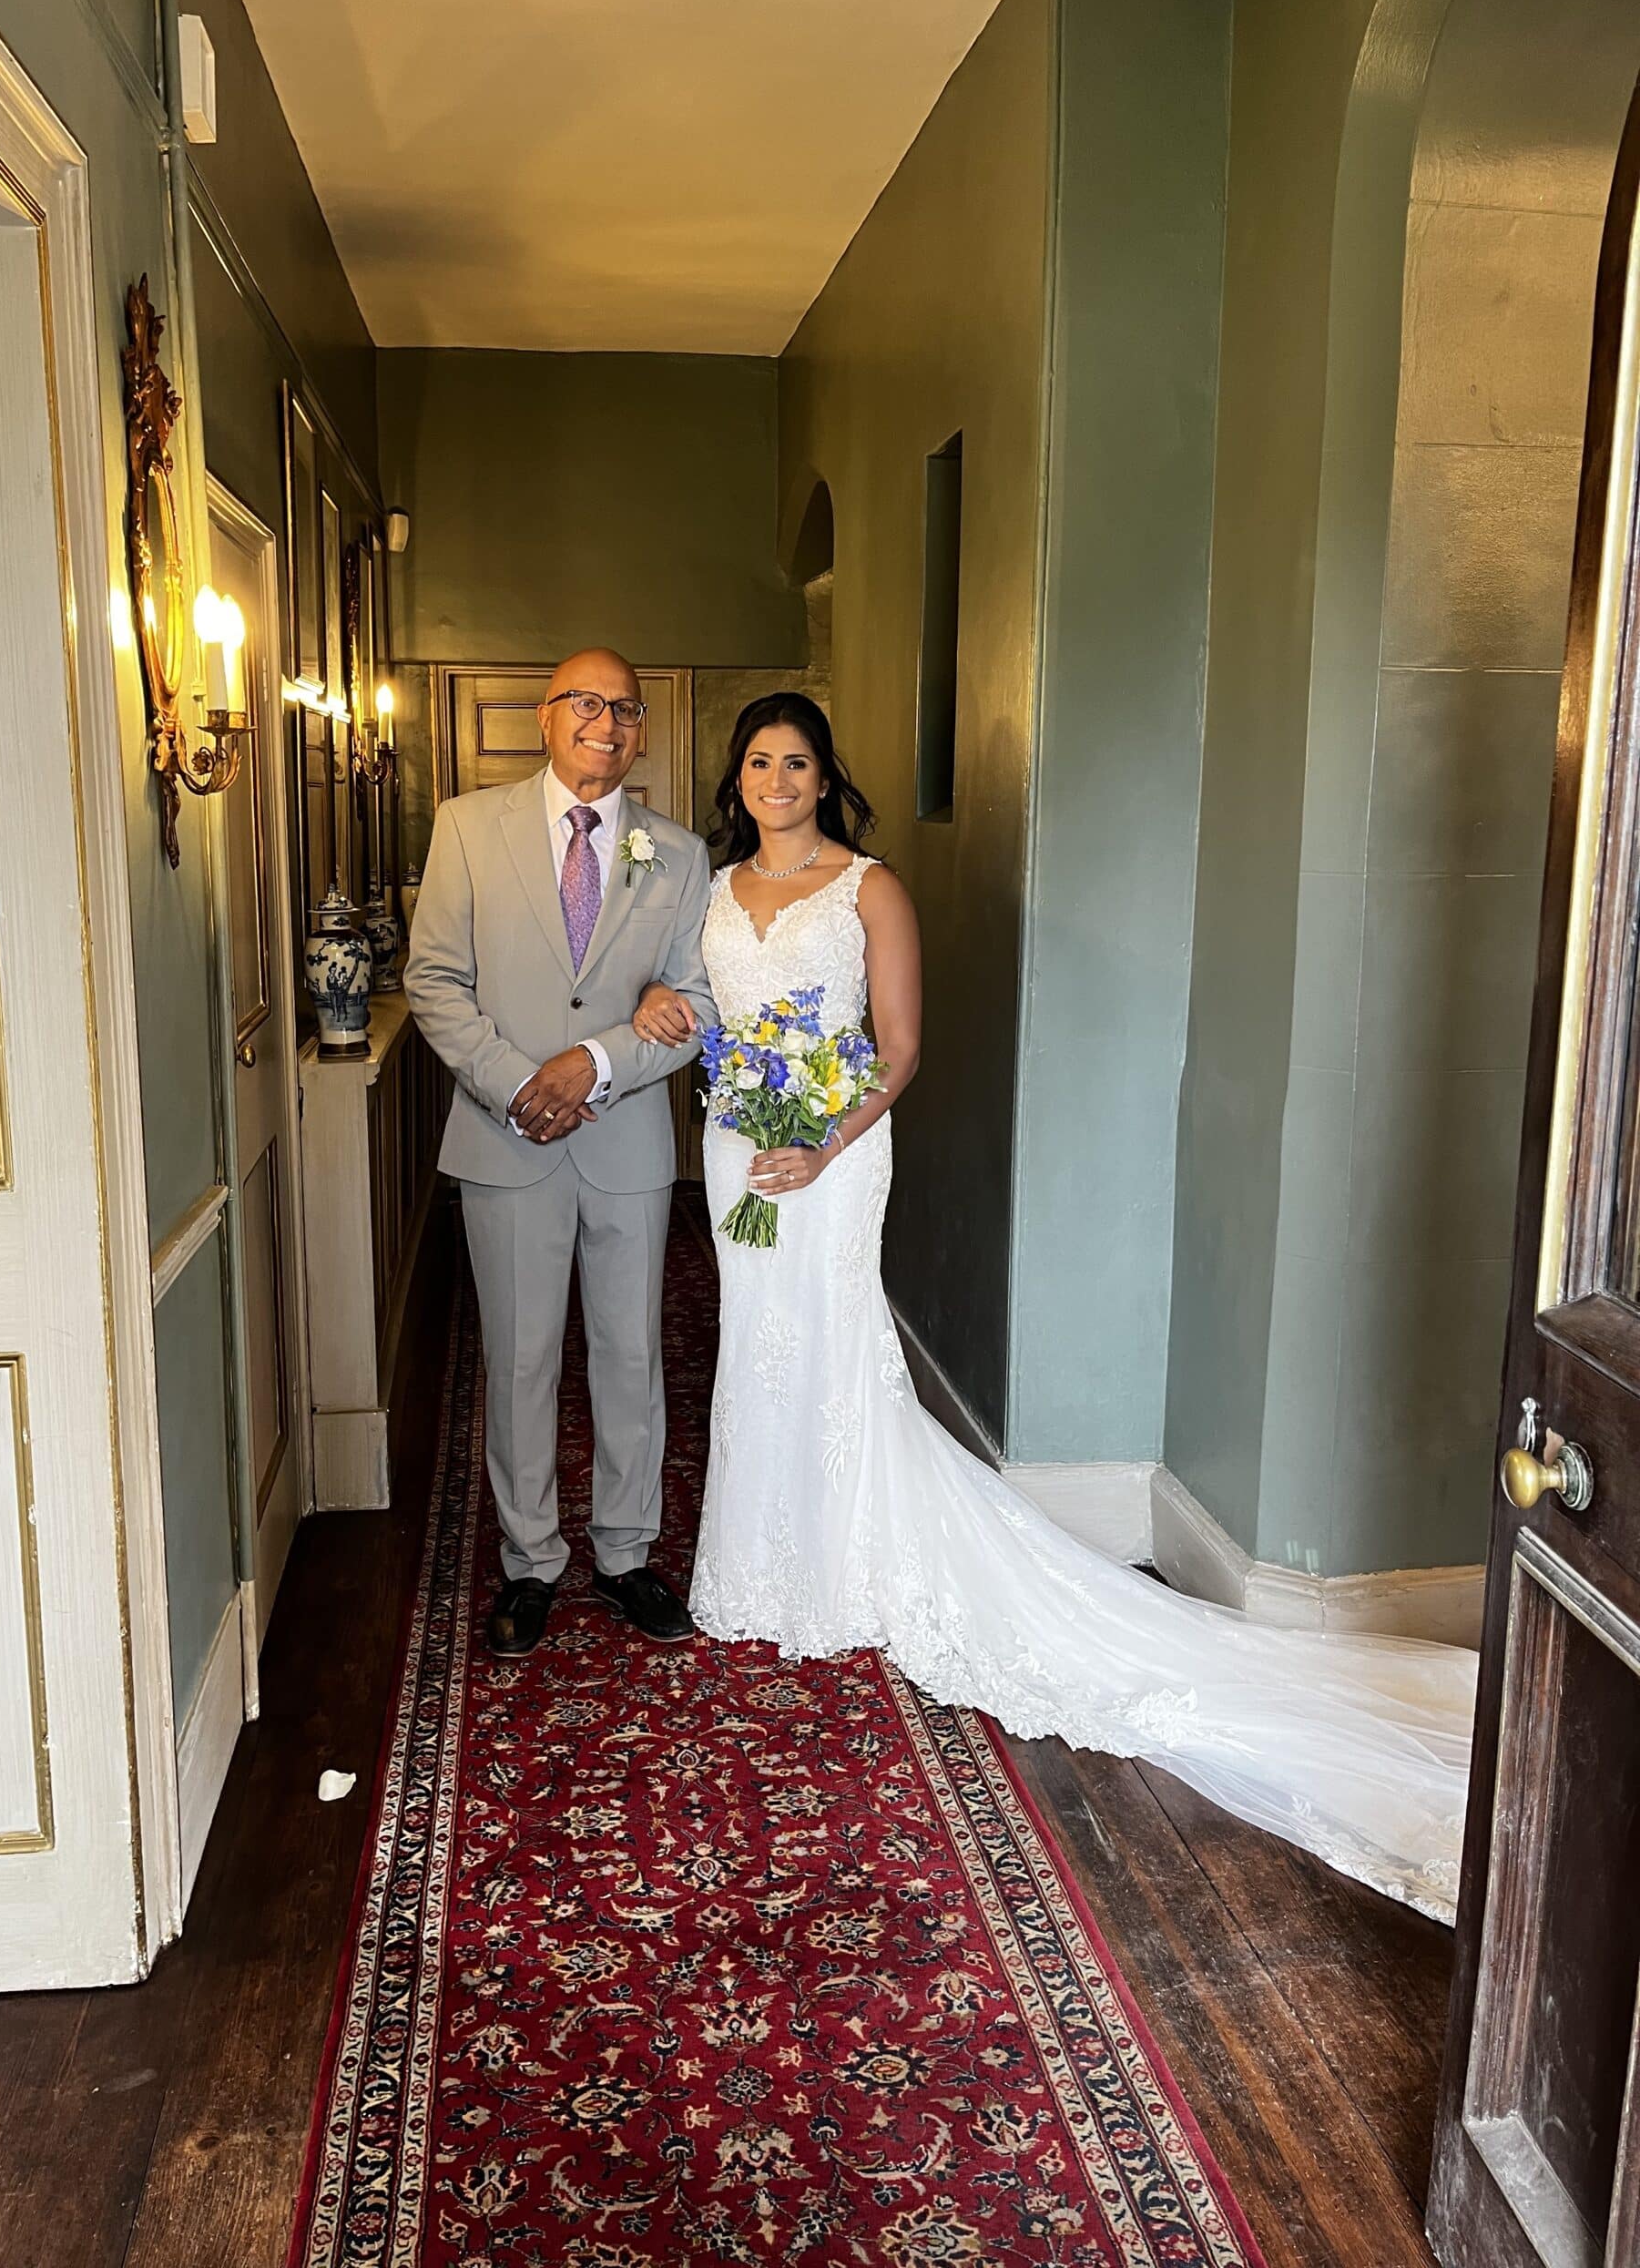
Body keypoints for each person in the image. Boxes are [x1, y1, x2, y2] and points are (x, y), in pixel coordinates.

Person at [634, 692, 1477, 1922]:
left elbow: (899, 1047)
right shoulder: (711, 893)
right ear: (737, 778)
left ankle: (844, 1560)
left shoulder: (869, 888)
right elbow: (703, 1005)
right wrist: (666, 1013)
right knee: (755, 1346)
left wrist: (821, 1143)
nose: (777, 780)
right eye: (759, 762)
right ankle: (762, 1562)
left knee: (828, 1342)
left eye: (797, 762)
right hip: (736, 1149)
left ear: (825, 776)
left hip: (833, 1152)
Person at [406, 648, 716, 1659]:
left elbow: (696, 1001)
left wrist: (594, 1064)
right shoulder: (467, 826)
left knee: (631, 1354)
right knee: (521, 1357)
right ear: (545, 717)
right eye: (586, 702)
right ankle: (530, 1561)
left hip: (626, 1142)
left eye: (625, 708)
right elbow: (434, 980)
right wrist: (517, 1084)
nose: (606, 722)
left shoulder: (679, 853)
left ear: (640, 730)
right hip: (505, 1139)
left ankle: (626, 1553)